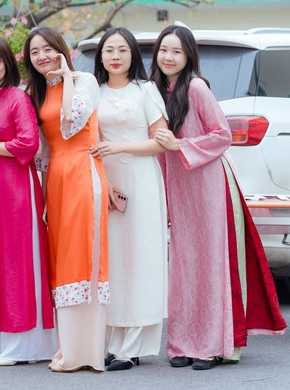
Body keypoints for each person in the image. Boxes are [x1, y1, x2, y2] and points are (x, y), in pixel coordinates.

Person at [151, 24, 287, 370]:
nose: (169, 57)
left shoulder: (196, 87)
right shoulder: (155, 91)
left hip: (209, 182)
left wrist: (180, 144)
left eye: (177, 51)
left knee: (211, 264)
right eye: (164, 50)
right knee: (183, 266)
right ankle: (182, 343)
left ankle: (213, 345)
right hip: (179, 185)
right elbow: (158, 149)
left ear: (189, 56)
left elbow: (222, 135)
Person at [23, 27, 109, 372]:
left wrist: (68, 76)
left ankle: (84, 353)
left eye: (48, 49)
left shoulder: (85, 81)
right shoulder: (39, 92)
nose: (42, 57)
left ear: (62, 50)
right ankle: (68, 348)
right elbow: (43, 151)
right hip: (57, 179)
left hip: (83, 173)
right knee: (61, 261)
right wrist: (43, 197)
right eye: (34, 52)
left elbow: (71, 122)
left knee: (82, 258)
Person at [88, 27, 168, 371]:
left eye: (122, 50)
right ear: (101, 56)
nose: (115, 56)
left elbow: (162, 140)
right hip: (106, 182)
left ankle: (132, 347)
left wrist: (120, 146)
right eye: (109, 50)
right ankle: (110, 342)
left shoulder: (145, 90)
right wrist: (104, 182)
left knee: (140, 258)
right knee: (110, 260)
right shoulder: (94, 92)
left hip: (142, 179)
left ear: (133, 54)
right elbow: (87, 141)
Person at [0, 34, 54, 366]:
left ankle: (25, 344)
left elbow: (28, 144)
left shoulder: (18, 98)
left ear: (8, 64)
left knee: (18, 260)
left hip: (17, 190)